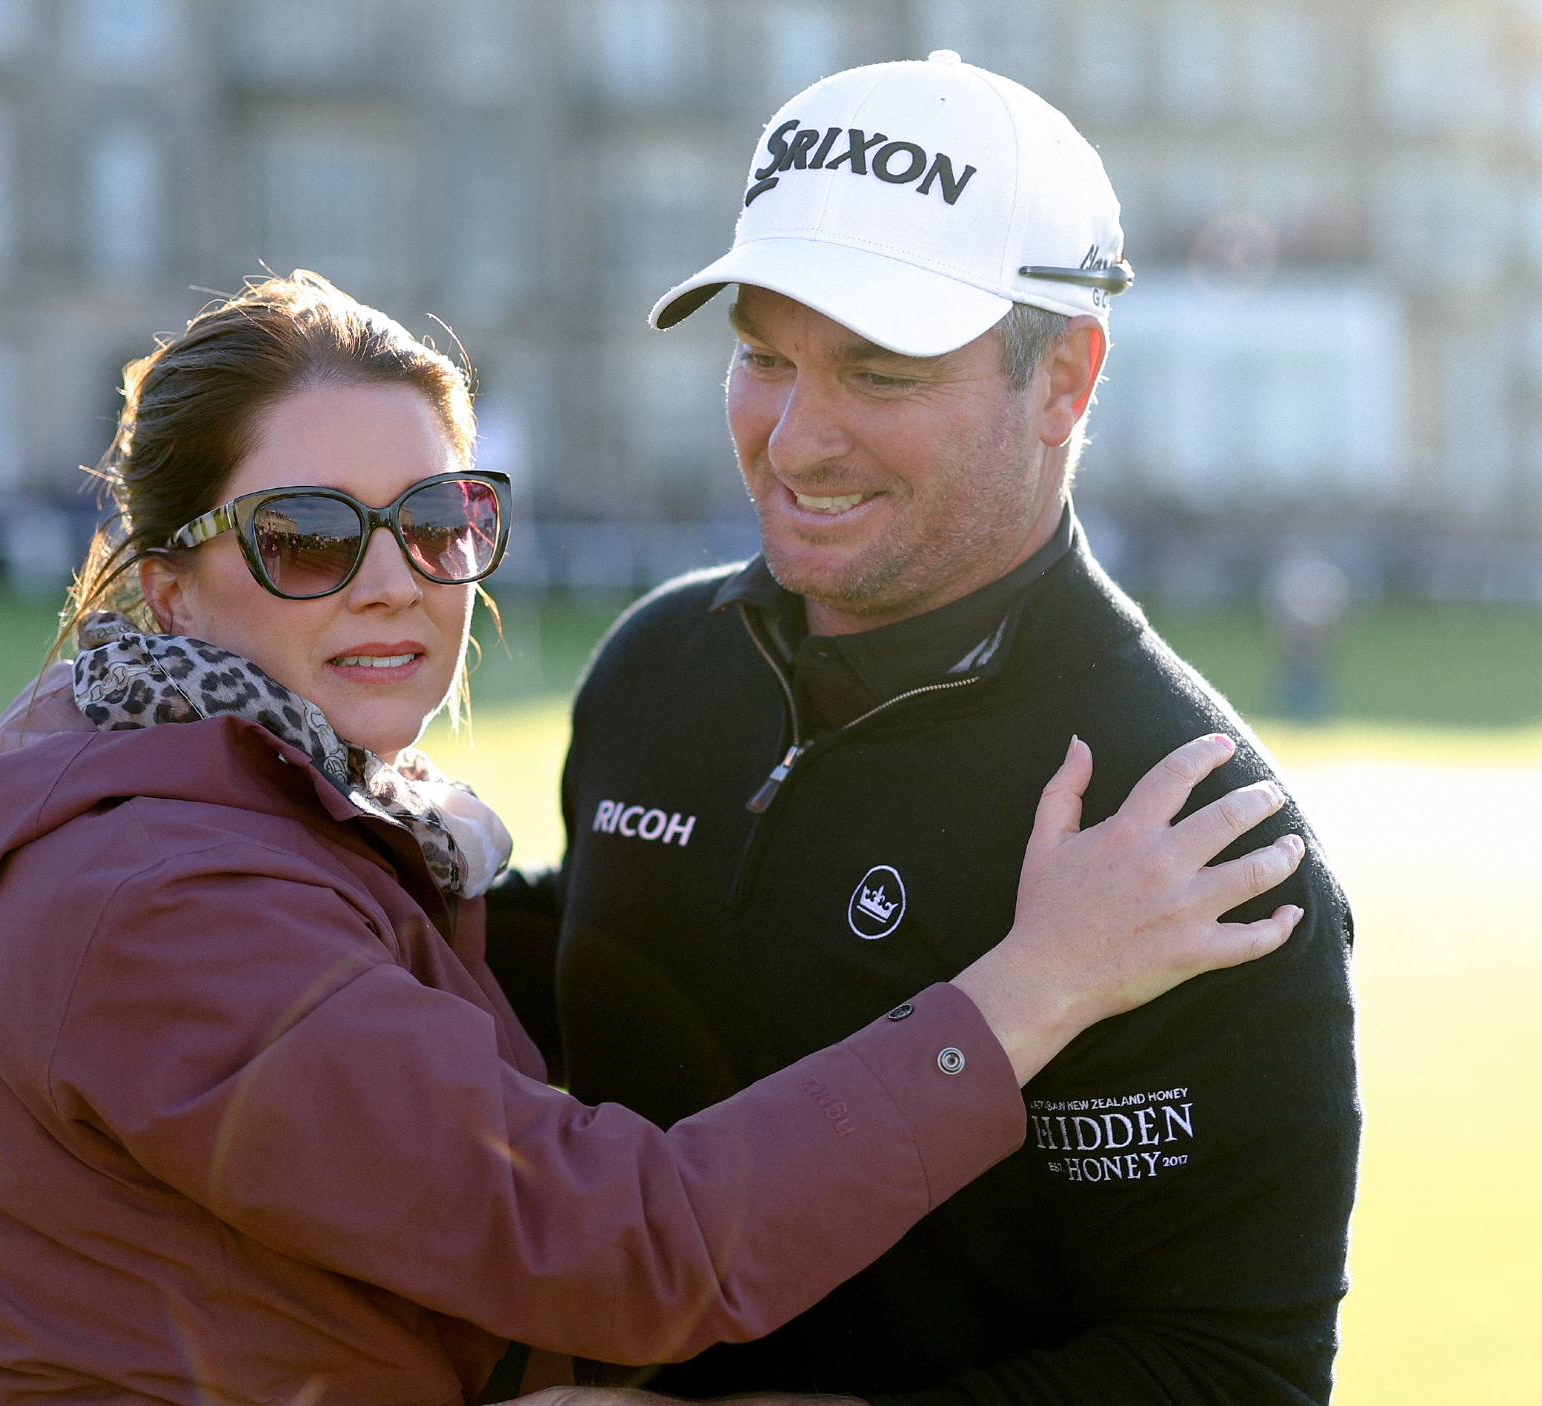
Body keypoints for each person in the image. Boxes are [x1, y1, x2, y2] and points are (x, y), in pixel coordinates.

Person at [0, 272, 1309, 1405]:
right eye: (306, 536)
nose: (393, 583)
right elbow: (624, 1243)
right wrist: (1039, 982)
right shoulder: (161, 898)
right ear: (174, 586)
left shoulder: (270, 811)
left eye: (437, 521)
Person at [484, 54, 1361, 1404]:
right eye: (762, 357)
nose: (795, 440)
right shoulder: (656, 667)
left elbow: (1229, 1372)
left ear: (1064, 379)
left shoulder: (1189, 829)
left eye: (881, 373)